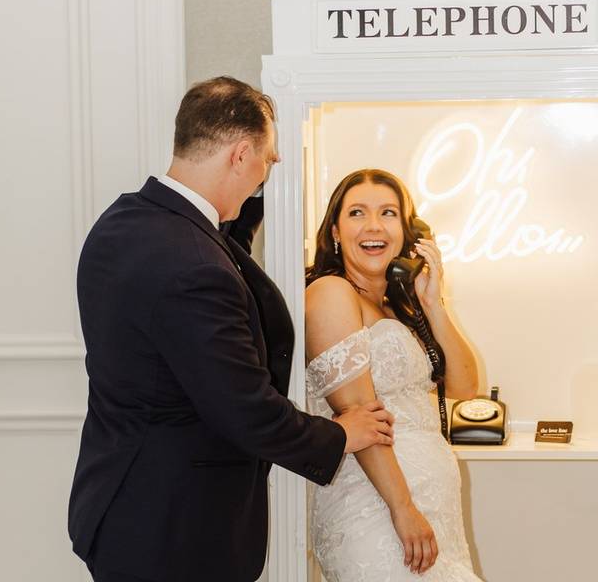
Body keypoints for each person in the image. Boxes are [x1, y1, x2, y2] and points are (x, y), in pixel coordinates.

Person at [68, 77, 395, 582]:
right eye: (265, 162)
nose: (265, 175)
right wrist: (339, 434)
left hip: (124, 503)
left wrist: (258, 204)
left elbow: (219, 249)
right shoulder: (193, 265)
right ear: (240, 155)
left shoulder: (124, 223)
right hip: (178, 531)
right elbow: (245, 411)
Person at [305, 169, 483, 580]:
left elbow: (463, 386)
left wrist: (433, 303)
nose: (373, 226)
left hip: (432, 515)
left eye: (388, 213)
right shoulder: (331, 293)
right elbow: (361, 415)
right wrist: (402, 509)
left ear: (407, 233)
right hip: (378, 509)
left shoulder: (396, 309)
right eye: (356, 213)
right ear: (335, 231)